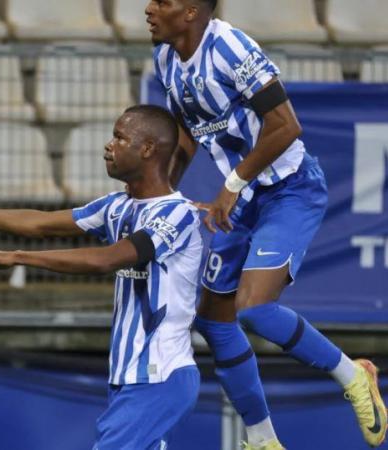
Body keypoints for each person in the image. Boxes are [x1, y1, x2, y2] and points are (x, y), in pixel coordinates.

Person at [144, 0, 387, 449]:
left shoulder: (232, 48)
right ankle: (262, 439)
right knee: (214, 321)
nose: (149, 8)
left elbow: (286, 125)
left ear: (193, 11)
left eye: (163, 1)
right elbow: (184, 135)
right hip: (243, 198)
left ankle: (354, 374)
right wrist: (160, 199)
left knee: (253, 308)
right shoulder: (165, 58)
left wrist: (233, 183)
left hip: (288, 190)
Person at [0, 105, 202, 449]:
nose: (108, 146)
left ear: (147, 149)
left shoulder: (178, 215)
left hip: (159, 375)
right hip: (130, 377)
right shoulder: (117, 206)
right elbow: (39, 222)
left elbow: (106, 260)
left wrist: (17, 258)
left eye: (119, 137)